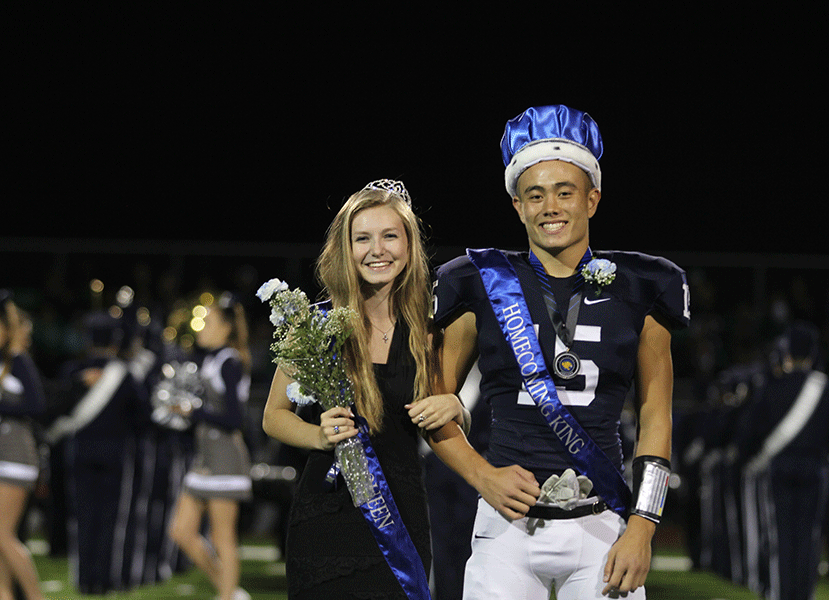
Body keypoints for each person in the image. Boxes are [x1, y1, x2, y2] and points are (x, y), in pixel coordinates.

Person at [427, 105, 691, 598]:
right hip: (506, 526)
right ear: (517, 206)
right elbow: (431, 400)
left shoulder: (642, 286)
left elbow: (657, 412)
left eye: (564, 192)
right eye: (535, 194)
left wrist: (644, 525)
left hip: (604, 524)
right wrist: (482, 475)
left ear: (592, 199)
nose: (550, 206)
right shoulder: (479, 280)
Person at [261, 179, 469, 599]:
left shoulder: (430, 333)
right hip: (325, 517)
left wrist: (456, 406)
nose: (378, 250)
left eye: (390, 236)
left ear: (409, 246)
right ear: (345, 249)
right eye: (363, 239)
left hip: (401, 513)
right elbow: (273, 416)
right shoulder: (313, 325)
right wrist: (317, 435)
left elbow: (440, 418)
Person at [47, 310, 150, 594]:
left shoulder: (72, 372)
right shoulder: (125, 375)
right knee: (110, 520)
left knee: (82, 518)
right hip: (116, 455)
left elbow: (54, 410)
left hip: (79, 453)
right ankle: (104, 581)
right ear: (116, 342)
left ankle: (85, 580)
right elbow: (144, 418)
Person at [166, 291, 254, 600]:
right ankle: (228, 590)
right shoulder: (212, 359)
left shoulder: (230, 362)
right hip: (205, 458)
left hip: (225, 459)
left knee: (222, 538)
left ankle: (227, 595)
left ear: (225, 328)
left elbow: (233, 419)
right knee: (181, 531)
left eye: (208, 323)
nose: (201, 328)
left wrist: (194, 410)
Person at [735, 321, 828, 600]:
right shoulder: (823, 389)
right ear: (811, 355)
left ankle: (783, 594)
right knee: (809, 537)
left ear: (787, 354)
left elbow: (750, 431)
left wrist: (745, 457)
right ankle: (804, 594)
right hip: (814, 468)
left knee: (781, 537)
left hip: (780, 466)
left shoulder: (772, 386)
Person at [0, 291, 47, 600]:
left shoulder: (19, 362)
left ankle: (35, 597)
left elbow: (37, 406)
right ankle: (4, 597)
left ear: (5, 330)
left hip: (16, 457)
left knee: (3, 536)